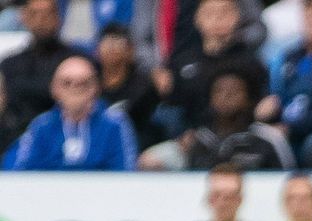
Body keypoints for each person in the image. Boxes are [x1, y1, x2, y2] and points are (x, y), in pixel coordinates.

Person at [6, 54, 137, 169]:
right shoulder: (42, 126)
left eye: (83, 83)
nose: (75, 89)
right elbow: (25, 173)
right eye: (67, 83)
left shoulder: (114, 124)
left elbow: (124, 170)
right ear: (54, 89)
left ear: (96, 87)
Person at [158, 0, 270, 134]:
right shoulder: (183, 63)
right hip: (193, 139)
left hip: (244, 137)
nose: (217, 18)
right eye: (210, 13)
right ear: (197, 18)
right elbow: (172, 109)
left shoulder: (251, 63)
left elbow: (264, 104)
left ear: (238, 16)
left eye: (224, 12)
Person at [257, 0, 312, 155]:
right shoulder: (286, 58)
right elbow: (273, 96)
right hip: (284, 129)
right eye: (311, 13)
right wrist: (265, 109)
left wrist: (291, 128)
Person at [184, 67, 296, 171]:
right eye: (219, 91)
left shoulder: (270, 138)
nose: (226, 96)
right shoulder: (200, 140)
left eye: (235, 91)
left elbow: (287, 181)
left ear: (249, 98)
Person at [0, 0, 86, 132]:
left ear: (58, 17)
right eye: (35, 14)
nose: (41, 20)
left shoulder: (76, 61)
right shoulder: (10, 64)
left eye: (47, 14)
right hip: (18, 135)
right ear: (25, 17)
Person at [95, 22, 162, 150]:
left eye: (117, 43)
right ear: (97, 50)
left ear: (130, 50)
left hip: (135, 144)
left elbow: (145, 127)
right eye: (107, 42)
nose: (111, 48)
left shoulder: (144, 85)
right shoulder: (89, 82)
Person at [184, 163, 260, 221]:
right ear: (209, 198)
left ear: (240, 199)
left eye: (229, 196)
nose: (223, 203)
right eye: (217, 195)